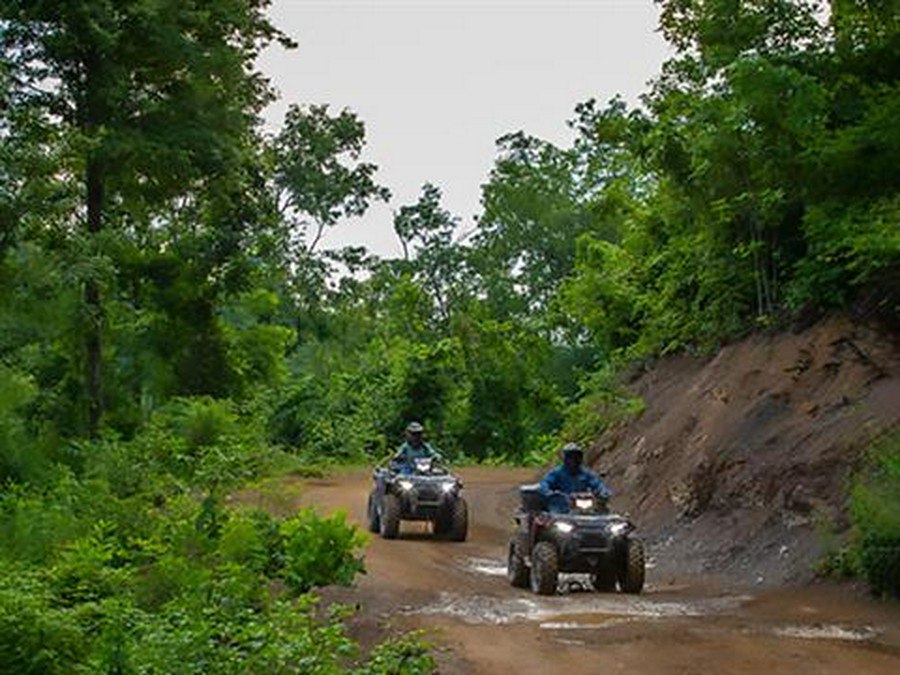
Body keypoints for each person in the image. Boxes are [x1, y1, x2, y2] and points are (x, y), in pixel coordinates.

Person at [539, 442, 611, 512]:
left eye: (576, 457)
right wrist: (549, 493)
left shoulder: (586, 473)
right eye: (570, 457)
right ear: (565, 459)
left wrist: (603, 492)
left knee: (603, 511)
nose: (573, 460)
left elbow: (597, 484)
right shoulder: (556, 473)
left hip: (583, 506)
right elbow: (545, 483)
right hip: (561, 506)